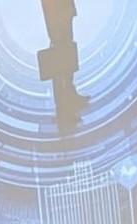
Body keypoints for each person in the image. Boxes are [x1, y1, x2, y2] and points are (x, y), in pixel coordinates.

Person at [40, 0, 88, 130]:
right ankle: (63, 107)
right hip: (57, 15)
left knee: (66, 50)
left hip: (62, 12)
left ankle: (70, 96)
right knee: (60, 54)